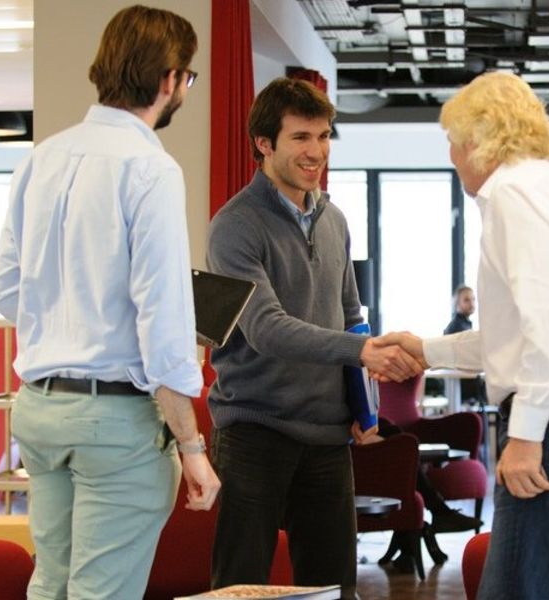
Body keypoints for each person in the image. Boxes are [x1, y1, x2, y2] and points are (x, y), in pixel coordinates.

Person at [380, 72, 549, 600]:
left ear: (477, 138)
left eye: (452, 142)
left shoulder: (512, 195)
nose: (451, 157)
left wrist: (526, 436)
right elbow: (524, 331)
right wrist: (427, 350)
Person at [0, 6, 218, 599]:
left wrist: (71, 322)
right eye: (187, 79)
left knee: (52, 585)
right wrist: (192, 448)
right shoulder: (150, 169)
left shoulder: (41, 158)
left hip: (39, 412)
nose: (183, 91)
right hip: (115, 424)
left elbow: (7, 290)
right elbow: (164, 327)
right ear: (169, 79)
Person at [205, 78, 423, 595]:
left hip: (326, 437)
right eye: (301, 138)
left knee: (333, 588)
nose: (316, 152)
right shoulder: (234, 226)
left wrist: (362, 407)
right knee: (240, 587)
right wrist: (362, 349)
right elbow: (265, 328)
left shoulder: (334, 220)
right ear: (264, 143)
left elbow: (351, 317)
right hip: (254, 430)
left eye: (324, 137)